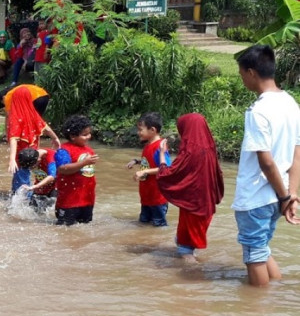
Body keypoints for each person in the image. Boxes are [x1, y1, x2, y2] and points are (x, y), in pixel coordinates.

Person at [231, 45, 300, 286]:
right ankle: (275, 294)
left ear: (251, 73)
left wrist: (285, 197)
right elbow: (296, 154)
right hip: (276, 196)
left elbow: (266, 161)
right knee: (261, 249)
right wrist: (291, 195)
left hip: (258, 196)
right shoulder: (291, 104)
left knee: (254, 257)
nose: (242, 81)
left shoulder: (258, 111)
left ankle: (258, 310)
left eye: (241, 75)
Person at [156, 113, 224, 263]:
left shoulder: (190, 151)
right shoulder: (209, 149)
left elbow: (167, 175)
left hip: (193, 206)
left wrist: (162, 155)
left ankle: (192, 278)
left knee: (185, 250)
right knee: (185, 244)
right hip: (206, 203)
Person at [4, 84, 60, 178]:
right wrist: (55, 138)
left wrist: (12, 159)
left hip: (22, 157)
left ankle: (23, 192)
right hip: (33, 154)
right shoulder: (33, 114)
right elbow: (46, 128)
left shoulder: (16, 117)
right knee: (34, 175)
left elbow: (13, 138)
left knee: (21, 180)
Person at [126, 112, 170, 227]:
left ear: (152, 130)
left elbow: (165, 168)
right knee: (143, 224)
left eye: (141, 129)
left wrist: (144, 171)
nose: (138, 132)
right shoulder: (148, 145)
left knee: (159, 226)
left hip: (157, 197)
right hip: (147, 196)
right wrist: (137, 161)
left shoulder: (160, 146)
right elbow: (150, 162)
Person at [54, 115, 98, 225]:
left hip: (87, 200)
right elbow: (63, 169)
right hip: (68, 202)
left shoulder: (89, 150)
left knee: (83, 231)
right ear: (73, 136)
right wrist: (84, 162)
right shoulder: (63, 151)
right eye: (85, 135)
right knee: (65, 231)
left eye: (89, 133)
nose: (89, 136)